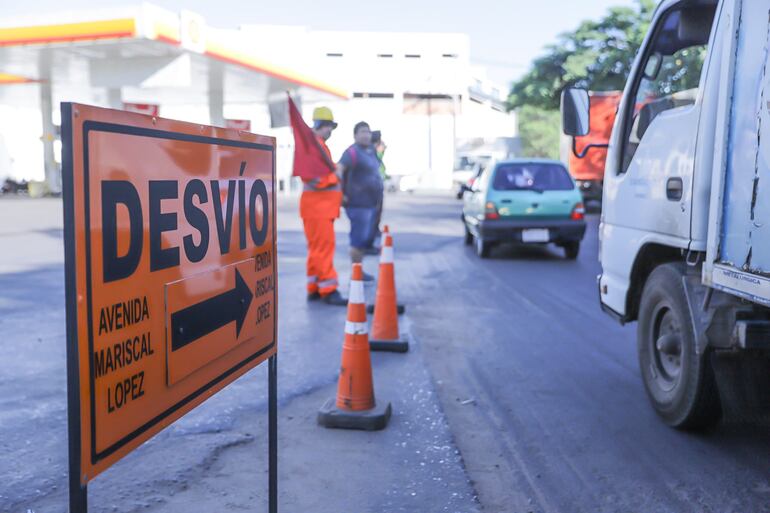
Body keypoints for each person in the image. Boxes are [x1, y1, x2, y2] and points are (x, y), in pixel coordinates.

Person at [299, 106, 347, 306]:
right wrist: (335, 176)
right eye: (328, 126)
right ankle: (328, 289)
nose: (330, 131)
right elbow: (310, 177)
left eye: (331, 127)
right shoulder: (314, 146)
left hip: (318, 209)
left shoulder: (317, 146)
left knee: (316, 249)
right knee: (323, 249)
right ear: (319, 125)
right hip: (318, 209)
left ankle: (315, 287)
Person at [338, 122, 384, 280]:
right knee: (358, 239)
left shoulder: (370, 150)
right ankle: (356, 273)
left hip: (371, 204)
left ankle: (359, 270)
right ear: (355, 135)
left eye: (368, 132)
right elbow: (339, 170)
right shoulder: (351, 152)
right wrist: (340, 193)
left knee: (364, 239)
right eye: (362, 132)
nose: (366, 135)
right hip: (357, 204)